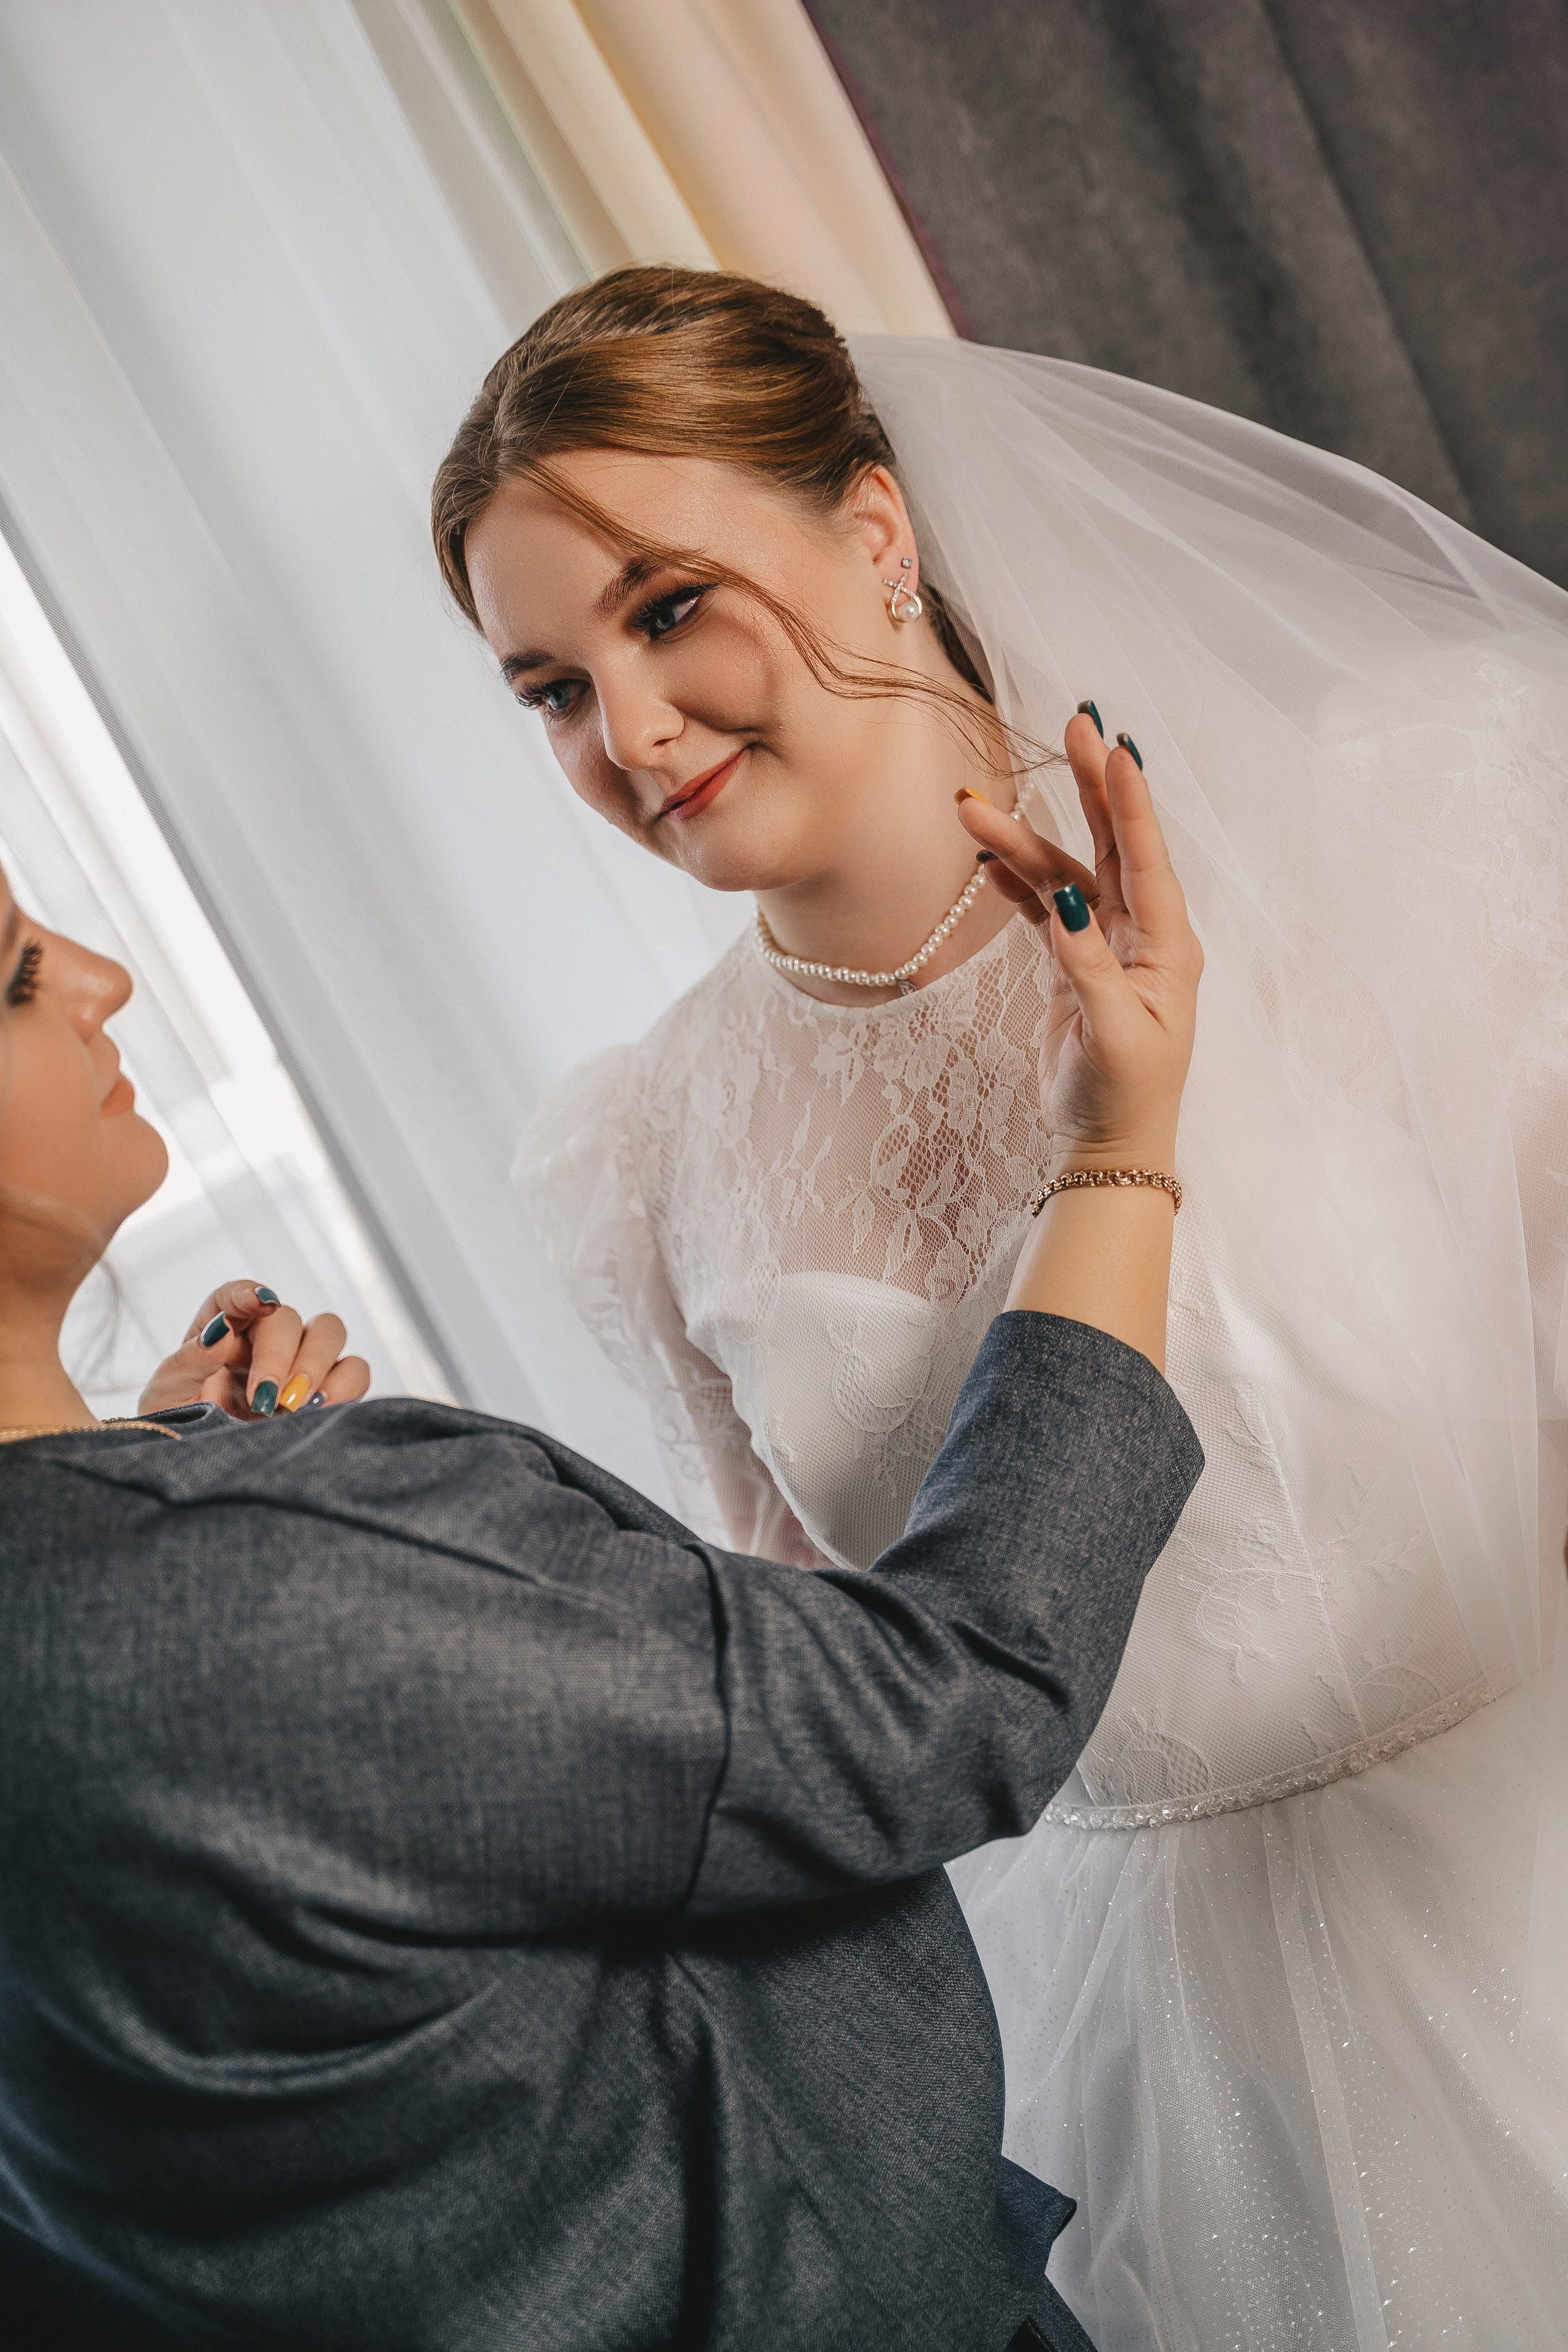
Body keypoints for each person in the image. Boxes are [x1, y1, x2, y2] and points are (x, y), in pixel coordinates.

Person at [434, 268, 1568, 2351]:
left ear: (875, 530)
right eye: (552, 689)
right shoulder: (638, 1163)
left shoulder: (1358, 825)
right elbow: (830, 1717)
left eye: (669, 604)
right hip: (1151, 2064)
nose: (633, 733)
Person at [0, 752, 1203, 2352]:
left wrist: (154, 1479)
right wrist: (1123, 1150)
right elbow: (955, 1700)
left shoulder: (151, 1568)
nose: (104, 977)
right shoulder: (242, 1584)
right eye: (14, 976)